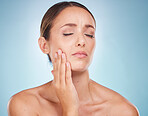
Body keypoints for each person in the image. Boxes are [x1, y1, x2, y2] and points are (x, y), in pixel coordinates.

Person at [7, 1, 139, 116]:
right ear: (44, 45)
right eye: (68, 33)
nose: (82, 41)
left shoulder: (123, 111)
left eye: (89, 34)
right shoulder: (24, 104)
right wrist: (70, 108)